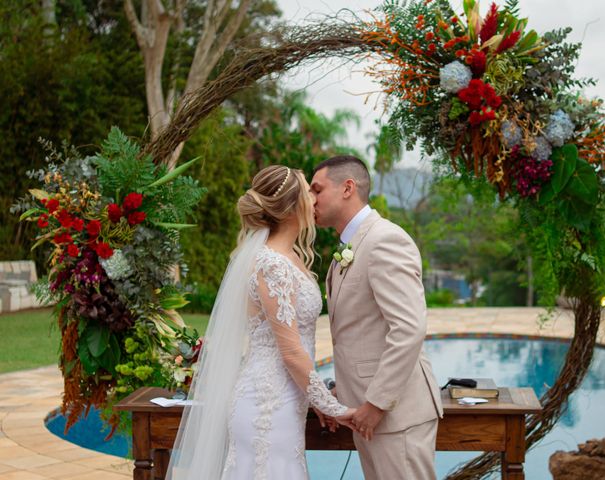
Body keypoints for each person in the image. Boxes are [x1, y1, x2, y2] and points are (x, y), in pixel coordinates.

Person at [167, 165, 355, 479]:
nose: (314, 197)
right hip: (266, 404)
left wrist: (315, 400)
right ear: (293, 205)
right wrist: (336, 408)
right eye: (309, 190)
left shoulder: (291, 258)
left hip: (284, 401)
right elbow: (292, 352)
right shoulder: (273, 265)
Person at [310, 155, 444, 480]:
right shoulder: (351, 244)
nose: (310, 199)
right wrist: (343, 393)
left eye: (317, 190)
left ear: (347, 188)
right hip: (367, 412)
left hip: (395, 415)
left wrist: (377, 403)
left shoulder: (385, 240)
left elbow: (409, 329)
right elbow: (361, 332)